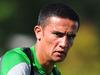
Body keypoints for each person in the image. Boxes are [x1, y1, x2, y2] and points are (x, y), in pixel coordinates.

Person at [0, 3, 80, 75]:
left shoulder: (55, 73)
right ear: (38, 32)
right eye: (57, 34)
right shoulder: (16, 60)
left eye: (71, 36)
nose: (64, 44)